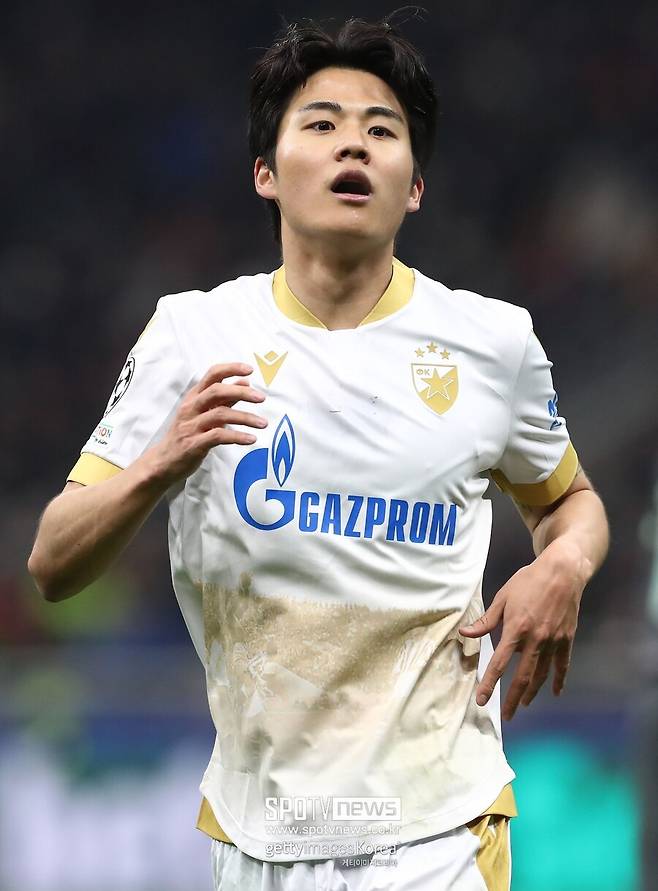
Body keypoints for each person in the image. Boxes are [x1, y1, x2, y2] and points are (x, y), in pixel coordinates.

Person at [28, 13, 609, 891]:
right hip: (260, 835)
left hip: (438, 828)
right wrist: (158, 464)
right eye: (323, 123)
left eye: (382, 130)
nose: (354, 145)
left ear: (415, 187)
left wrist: (563, 563)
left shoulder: (493, 344)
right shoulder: (192, 335)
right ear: (266, 173)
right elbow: (52, 563)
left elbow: (571, 502)